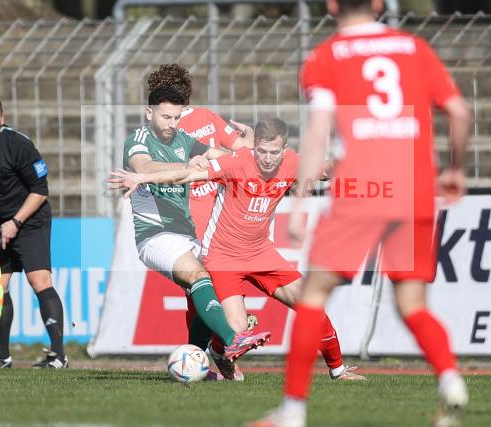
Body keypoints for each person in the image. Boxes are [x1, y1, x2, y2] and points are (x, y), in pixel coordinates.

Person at [246, 0, 473, 427]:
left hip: (362, 188)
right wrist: (454, 169)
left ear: (331, 4)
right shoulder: (413, 47)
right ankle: (450, 378)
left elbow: (318, 132)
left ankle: (292, 411)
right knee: (413, 304)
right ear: (377, 2)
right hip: (415, 186)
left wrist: (304, 200)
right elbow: (459, 112)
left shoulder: (325, 58)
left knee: (312, 295)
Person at [110, 117, 365, 381]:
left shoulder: (292, 163)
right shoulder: (237, 161)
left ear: (285, 149)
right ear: (254, 147)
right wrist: (142, 177)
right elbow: (188, 174)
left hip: (261, 253)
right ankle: (219, 351)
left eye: (274, 152)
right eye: (261, 151)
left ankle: (338, 370)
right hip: (223, 257)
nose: (266, 158)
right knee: (238, 328)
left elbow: (324, 170)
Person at [121, 84, 271, 362]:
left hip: (186, 234)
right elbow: (145, 168)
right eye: (166, 117)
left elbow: (223, 158)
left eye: (177, 118)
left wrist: (254, 158)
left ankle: (195, 356)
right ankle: (232, 339)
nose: (172, 124)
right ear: (148, 113)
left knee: (215, 280)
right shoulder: (138, 139)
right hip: (155, 235)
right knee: (198, 276)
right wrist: (191, 168)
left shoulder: (183, 139)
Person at [146, 63, 255, 380]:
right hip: (196, 226)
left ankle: (209, 355)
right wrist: (241, 143)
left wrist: (239, 145)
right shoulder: (200, 120)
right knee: (206, 291)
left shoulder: (172, 125)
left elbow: (239, 153)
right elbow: (241, 152)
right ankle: (211, 355)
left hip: (203, 225)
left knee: (203, 293)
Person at [0, 95, 68, 369]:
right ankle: (0, 357)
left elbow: (41, 191)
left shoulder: (18, 145)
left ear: (2, 118)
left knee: (39, 280)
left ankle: (58, 356)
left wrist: (16, 222)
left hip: (31, 220)